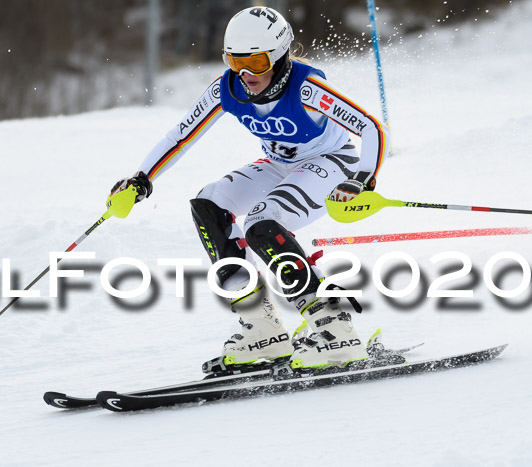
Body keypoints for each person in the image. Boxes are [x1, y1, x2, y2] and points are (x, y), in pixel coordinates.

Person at [108, 6, 390, 373]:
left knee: (262, 222)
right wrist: (141, 179)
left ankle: (334, 326)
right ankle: (261, 325)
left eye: (255, 62)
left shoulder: (307, 88)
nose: (244, 74)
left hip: (332, 164)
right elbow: (180, 137)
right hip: (279, 165)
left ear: (279, 56)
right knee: (209, 204)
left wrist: (363, 180)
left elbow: (371, 128)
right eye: (233, 61)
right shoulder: (228, 88)